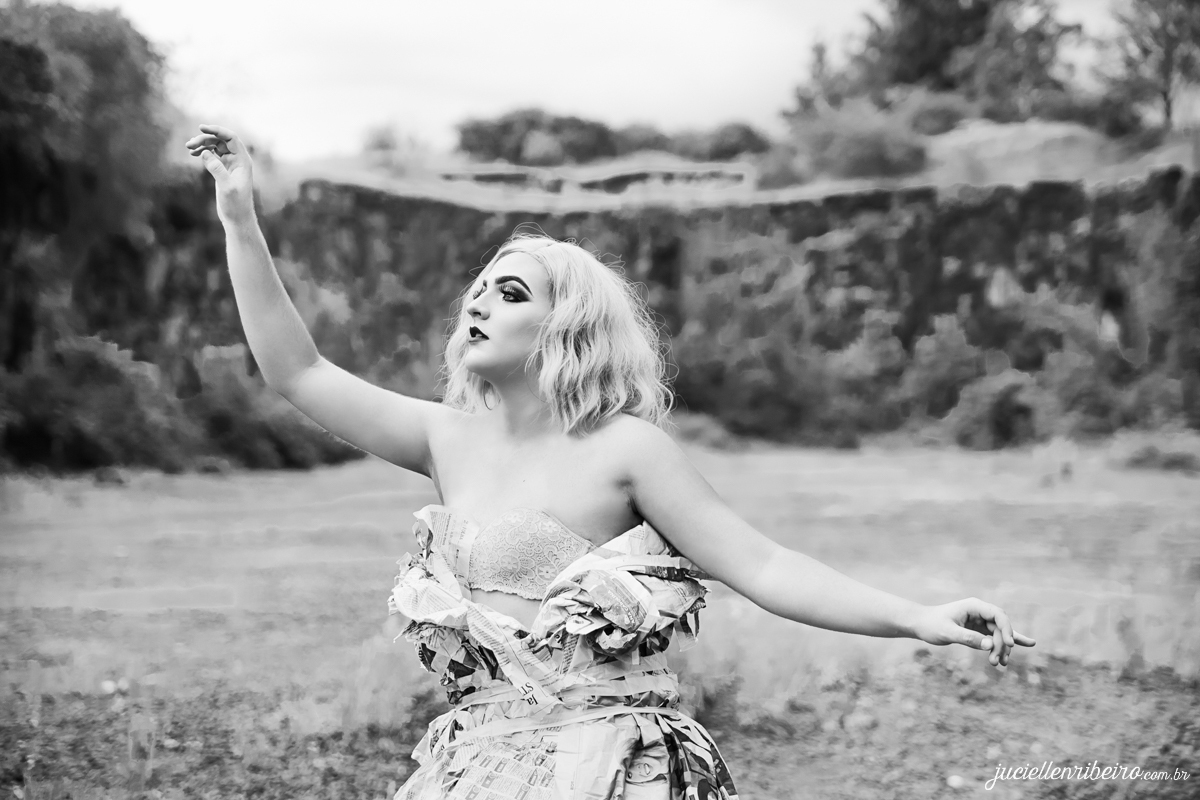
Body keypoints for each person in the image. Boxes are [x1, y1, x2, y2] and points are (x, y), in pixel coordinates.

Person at [187, 124, 1035, 800]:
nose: (480, 303)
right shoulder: (446, 439)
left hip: (608, 763)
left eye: (511, 293)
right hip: (476, 762)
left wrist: (917, 617)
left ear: (567, 328)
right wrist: (239, 220)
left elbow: (764, 566)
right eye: (479, 290)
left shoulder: (626, 449)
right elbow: (299, 372)